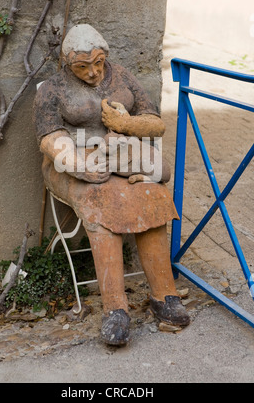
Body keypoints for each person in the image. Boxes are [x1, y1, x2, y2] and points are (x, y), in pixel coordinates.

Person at [33, 24, 189, 346]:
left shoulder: (122, 77)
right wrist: (80, 166)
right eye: (82, 66)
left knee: (152, 195)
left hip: (122, 155)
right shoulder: (52, 89)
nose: (93, 72)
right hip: (72, 163)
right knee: (102, 200)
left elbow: (154, 122)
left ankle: (165, 296)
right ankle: (115, 309)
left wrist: (127, 124)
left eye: (98, 62)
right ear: (67, 63)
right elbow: (49, 138)